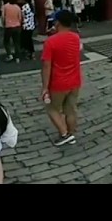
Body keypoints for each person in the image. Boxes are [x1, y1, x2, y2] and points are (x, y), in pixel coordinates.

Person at [40, 10, 83, 146]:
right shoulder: (76, 37)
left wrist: (45, 87)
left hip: (58, 82)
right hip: (75, 80)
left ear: (57, 22)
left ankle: (64, 134)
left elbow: (46, 66)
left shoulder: (50, 42)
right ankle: (71, 133)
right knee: (70, 110)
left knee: (52, 109)